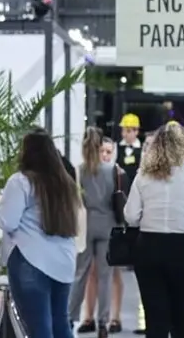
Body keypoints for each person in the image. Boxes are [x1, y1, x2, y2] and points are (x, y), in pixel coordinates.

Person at [0, 129, 80, 338]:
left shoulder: (21, 181)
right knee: (61, 324)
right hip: (64, 261)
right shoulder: (66, 183)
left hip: (31, 260)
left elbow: (8, 221)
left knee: (39, 329)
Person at [124, 123, 184, 337]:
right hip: (182, 247)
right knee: (181, 314)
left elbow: (131, 216)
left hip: (148, 247)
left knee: (155, 316)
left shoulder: (144, 173)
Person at [67, 128, 121, 337]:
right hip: (107, 224)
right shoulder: (112, 170)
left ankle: (70, 317)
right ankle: (103, 323)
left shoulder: (79, 171)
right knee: (105, 276)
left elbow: (75, 201)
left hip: (86, 225)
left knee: (80, 274)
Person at [116, 113, 143, 186]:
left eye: (128, 131)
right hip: (120, 186)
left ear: (136, 132)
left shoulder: (142, 149)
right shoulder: (116, 147)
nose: (124, 134)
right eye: (123, 131)